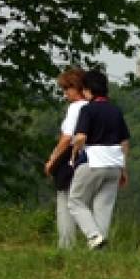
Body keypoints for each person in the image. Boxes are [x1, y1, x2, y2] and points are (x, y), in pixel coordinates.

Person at [68, 70, 130, 250]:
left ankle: (93, 235)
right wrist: (124, 169)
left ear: (87, 90)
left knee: (76, 201)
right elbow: (124, 141)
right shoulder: (116, 111)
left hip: (93, 161)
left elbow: (80, 137)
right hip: (114, 165)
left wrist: (73, 155)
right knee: (103, 207)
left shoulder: (87, 109)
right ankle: (99, 248)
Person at [44, 67, 87, 248]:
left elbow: (67, 137)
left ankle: (66, 244)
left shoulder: (76, 108)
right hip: (92, 161)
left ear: (75, 88)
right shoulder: (94, 106)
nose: (65, 94)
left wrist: (52, 159)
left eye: (66, 89)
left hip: (71, 160)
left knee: (66, 203)